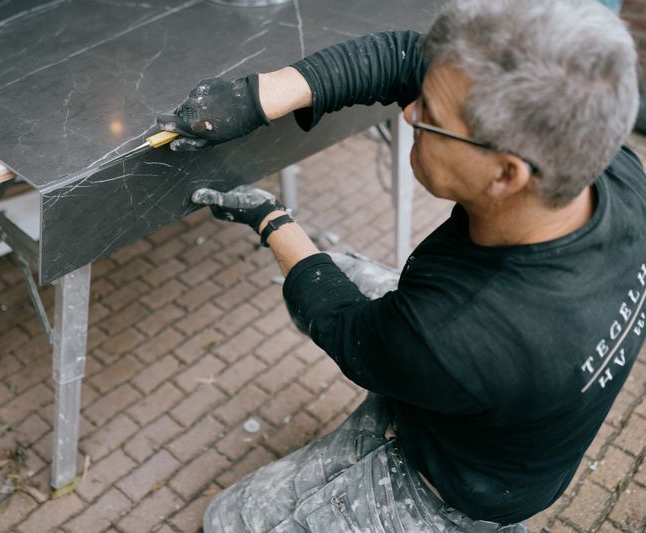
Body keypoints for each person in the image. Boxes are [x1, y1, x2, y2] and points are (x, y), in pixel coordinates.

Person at [156, 0, 643, 530]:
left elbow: (348, 331)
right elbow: (409, 58)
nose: (409, 113)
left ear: (505, 174)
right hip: (492, 392)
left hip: (452, 490)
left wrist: (271, 219)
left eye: (430, 116)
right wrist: (257, 96)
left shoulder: (454, 332)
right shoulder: (608, 169)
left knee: (230, 519)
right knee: (338, 278)